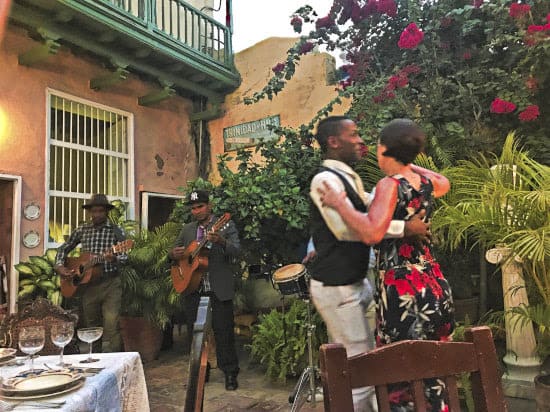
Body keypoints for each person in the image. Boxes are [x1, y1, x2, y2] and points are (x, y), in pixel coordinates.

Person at [317, 118, 455, 412]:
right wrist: (410, 163)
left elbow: (371, 232)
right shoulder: (429, 184)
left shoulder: (388, 186)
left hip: (402, 288)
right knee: (435, 368)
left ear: (383, 149)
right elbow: (446, 182)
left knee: (402, 371)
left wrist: (340, 204)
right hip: (433, 281)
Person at [168, 190, 241, 391]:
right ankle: (201, 372)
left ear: (209, 205)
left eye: (200, 206)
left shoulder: (225, 225)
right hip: (193, 288)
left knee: (223, 332)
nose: (196, 211)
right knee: (195, 334)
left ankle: (230, 374)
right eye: (193, 208)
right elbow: (173, 254)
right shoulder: (187, 230)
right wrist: (173, 254)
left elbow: (237, 251)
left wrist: (221, 241)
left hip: (219, 288)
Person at [55, 193, 127, 352]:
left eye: (100, 211)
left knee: (111, 325)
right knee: (92, 328)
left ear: (106, 212)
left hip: (110, 284)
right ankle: (96, 359)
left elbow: (125, 255)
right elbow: (64, 248)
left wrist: (113, 258)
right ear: (90, 212)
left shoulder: (116, 230)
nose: (97, 214)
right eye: (94, 211)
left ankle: (117, 362)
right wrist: (60, 266)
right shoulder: (82, 229)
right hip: (88, 286)